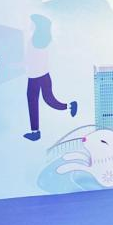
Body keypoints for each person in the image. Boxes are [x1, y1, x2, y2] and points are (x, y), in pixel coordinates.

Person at [23, 14, 77, 142]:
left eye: (32, 22)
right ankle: (69, 106)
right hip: (39, 75)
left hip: (37, 76)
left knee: (41, 100)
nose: (30, 24)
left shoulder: (36, 41)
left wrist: (21, 65)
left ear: (37, 25)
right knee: (45, 100)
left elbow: (33, 59)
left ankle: (36, 132)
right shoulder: (40, 40)